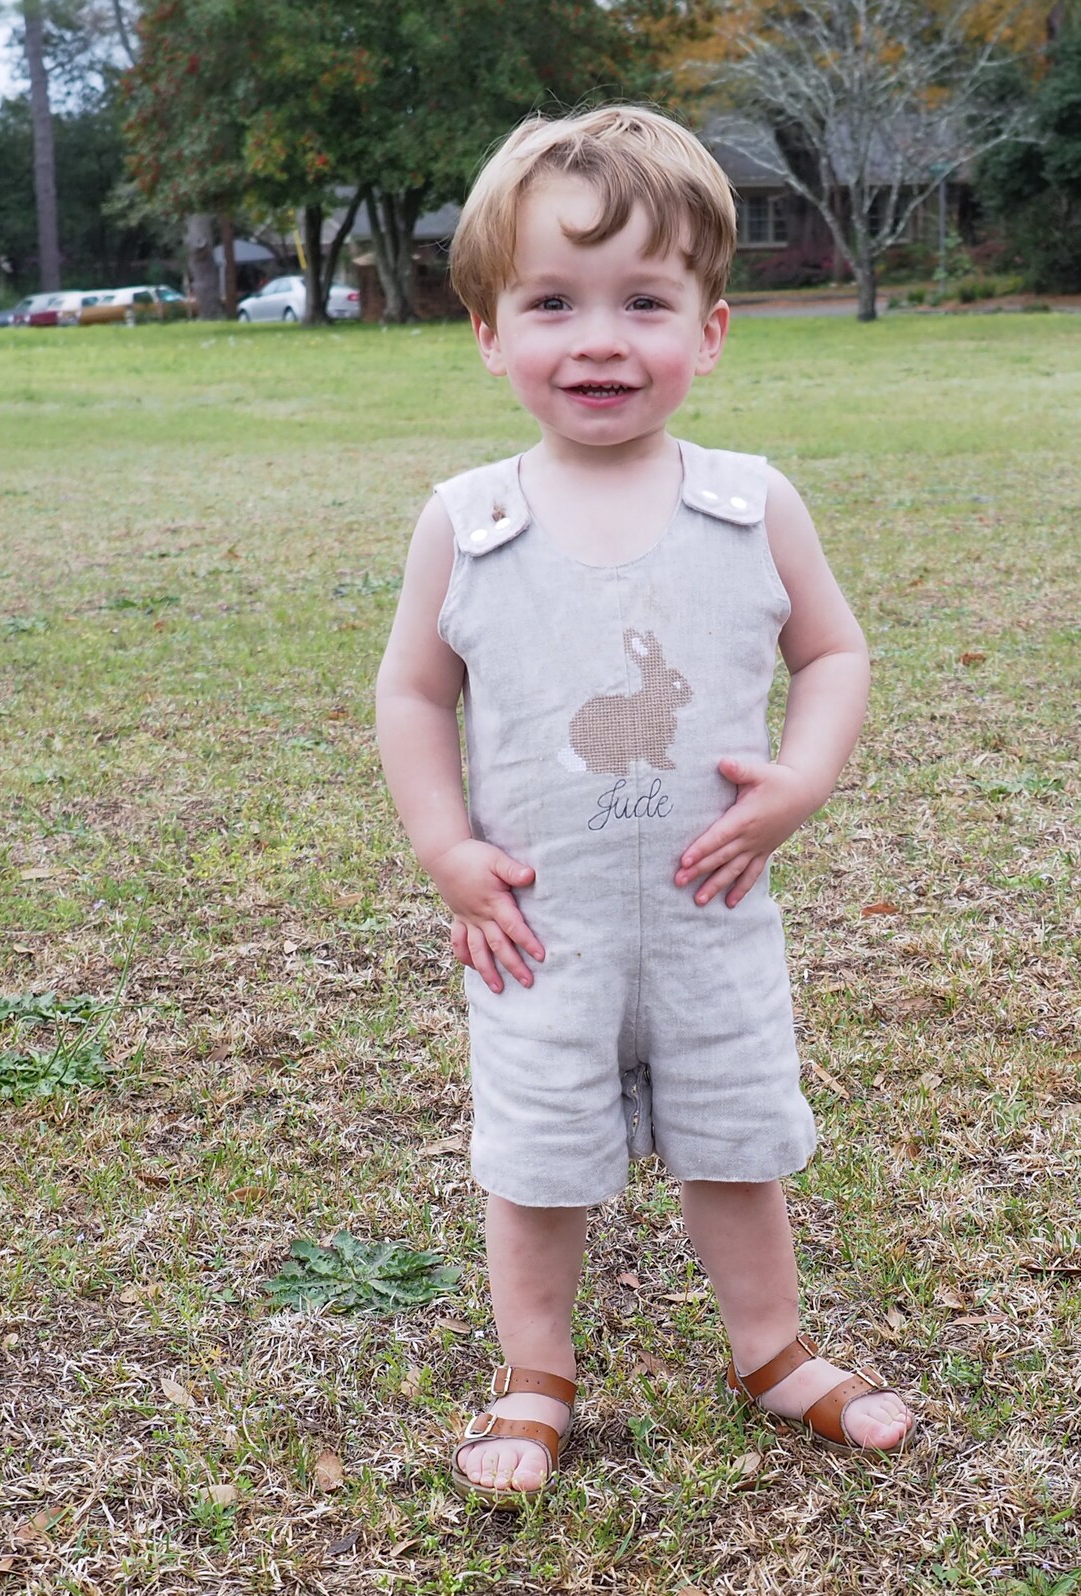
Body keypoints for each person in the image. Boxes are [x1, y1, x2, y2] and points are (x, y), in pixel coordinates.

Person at [374, 105, 916, 1508]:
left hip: (709, 912)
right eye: (553, 302)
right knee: (537, 1159)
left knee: (737, 1138)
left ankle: (771, 1348)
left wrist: (800, 781)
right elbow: (414, 694)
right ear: (489, 332)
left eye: (645, 302)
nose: (599, 340)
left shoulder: (750, 504)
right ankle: (535, 1372)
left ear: (711, 330)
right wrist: (446, 848)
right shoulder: (467, 522)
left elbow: (835, 654)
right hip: (538, 927)